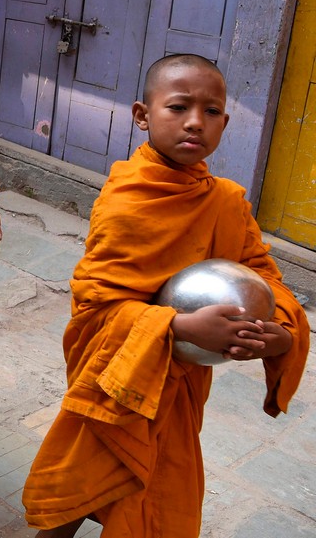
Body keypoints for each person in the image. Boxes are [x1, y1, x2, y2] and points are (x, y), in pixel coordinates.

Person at [21, 54, 309, 537]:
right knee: (82, 477)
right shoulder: (126, 199)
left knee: (159, 491)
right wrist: (176, 326)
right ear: (142, 115)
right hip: (116, 377)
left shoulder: (226, 202)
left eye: (211, 111)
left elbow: (263, 276)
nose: (196, 122)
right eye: (178, 107)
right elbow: (94, 307)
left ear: (225, 122)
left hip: (178, 386)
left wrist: (277, 334)